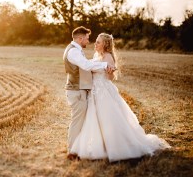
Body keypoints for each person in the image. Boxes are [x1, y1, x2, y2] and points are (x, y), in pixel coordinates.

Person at [70, 33, 171, 162]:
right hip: (94, 91)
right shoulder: (96, 56)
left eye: (98, 42)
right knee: (96, 119)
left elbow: (110, 78)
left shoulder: (108, 57)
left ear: (105, 45)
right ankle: (102, 146)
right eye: (95, 41)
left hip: (104, 92)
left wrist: (110, 73)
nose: (95, 44)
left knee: (108, 118)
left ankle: (117, 146)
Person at [63, 27, 116, 160]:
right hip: (76, 91)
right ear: (80, 39)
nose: (89, 41)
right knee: (78, 121)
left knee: (84, 121)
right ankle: (72, 151)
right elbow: (86, 66)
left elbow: (88, 65)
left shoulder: (76, 50)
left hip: (84, 90)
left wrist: (105, 66)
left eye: (97, 41)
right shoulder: (74, 51)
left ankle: (78, 148)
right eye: (87, 38)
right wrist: (104, 66)